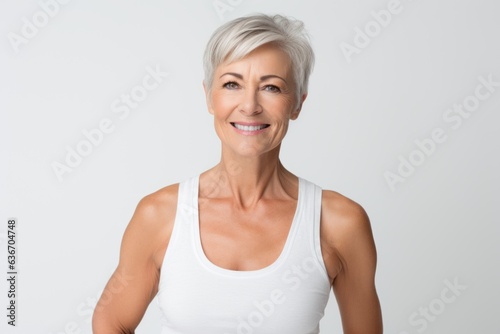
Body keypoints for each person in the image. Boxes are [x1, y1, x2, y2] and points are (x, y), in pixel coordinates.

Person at [92, 13, 383, 334]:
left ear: (297, 104)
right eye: (232, 84)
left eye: (272, 87)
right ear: (209, 97)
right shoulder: (160, 215)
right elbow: (111, 322)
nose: (249, 105)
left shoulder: (340, 223)